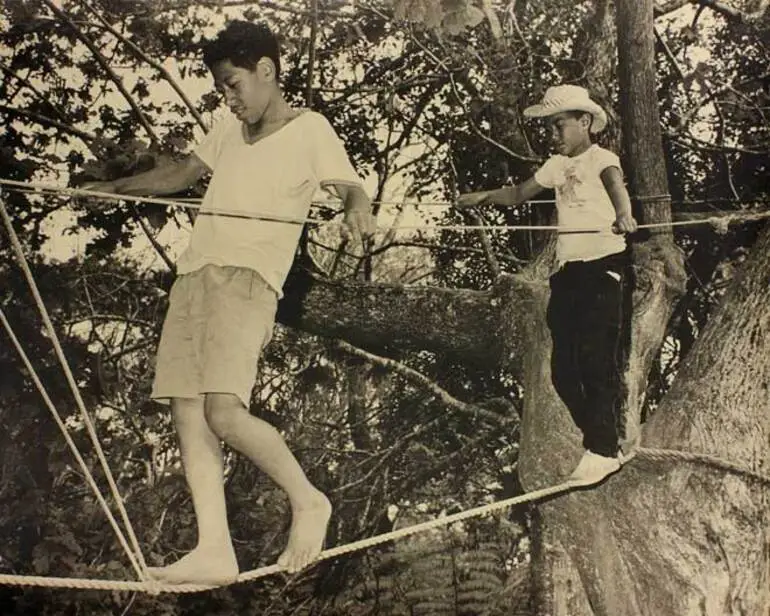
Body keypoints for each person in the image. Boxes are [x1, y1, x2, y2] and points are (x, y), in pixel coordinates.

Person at [83, 20, 375, 584]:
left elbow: (350, 186)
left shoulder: (309, 129)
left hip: (247, 279)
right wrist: (114, 190)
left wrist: (357, 210)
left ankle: (307, 499)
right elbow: (180, 173)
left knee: (223, 412)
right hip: (194, 275)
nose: (228, 96)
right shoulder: (226, 131)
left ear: (266, 71)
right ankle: (215, 548)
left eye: (233, 83)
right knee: (186, 412)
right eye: (221, 88)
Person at [456, 84, 638, 484]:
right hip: (569, 271)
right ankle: (603, 442)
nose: (553, 135)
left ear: (585, 122)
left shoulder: (601, 157)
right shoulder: (556, 166)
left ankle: (603, 449)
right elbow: (519, 194)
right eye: (550, 128)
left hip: (603, 264)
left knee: (596, 357)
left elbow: (616, 189)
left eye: (559, 125)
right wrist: (483, 197)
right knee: (562, 372)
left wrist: (624, 215)